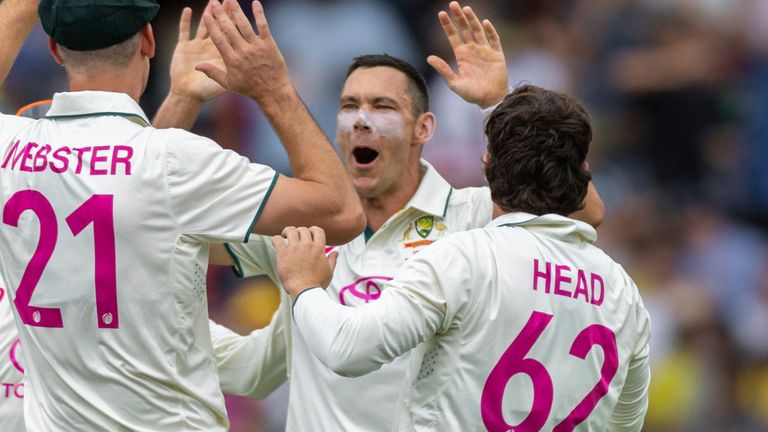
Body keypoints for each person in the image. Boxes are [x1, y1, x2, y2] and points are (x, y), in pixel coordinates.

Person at [155, 2, 607, 431]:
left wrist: (498, 106)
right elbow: (144, 219)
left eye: (382, 107)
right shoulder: (302, 225)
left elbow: (584, 213)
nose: (360, 121)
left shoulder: (470, 213)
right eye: (349, 106)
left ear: (424, 128)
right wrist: (183, 99)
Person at [0, 0, 364, 431]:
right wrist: (273, 89)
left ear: (55, 50)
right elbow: (341, 211)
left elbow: (132, 194)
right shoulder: (174, 160)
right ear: (150, 40)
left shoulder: (11, 149)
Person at [274, 83, 652, 431]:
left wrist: (305, 286)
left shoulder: (464, 257)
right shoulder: (624, 292)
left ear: (488, 168)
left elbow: (347, 349)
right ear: (584, 175)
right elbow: (625, 423)